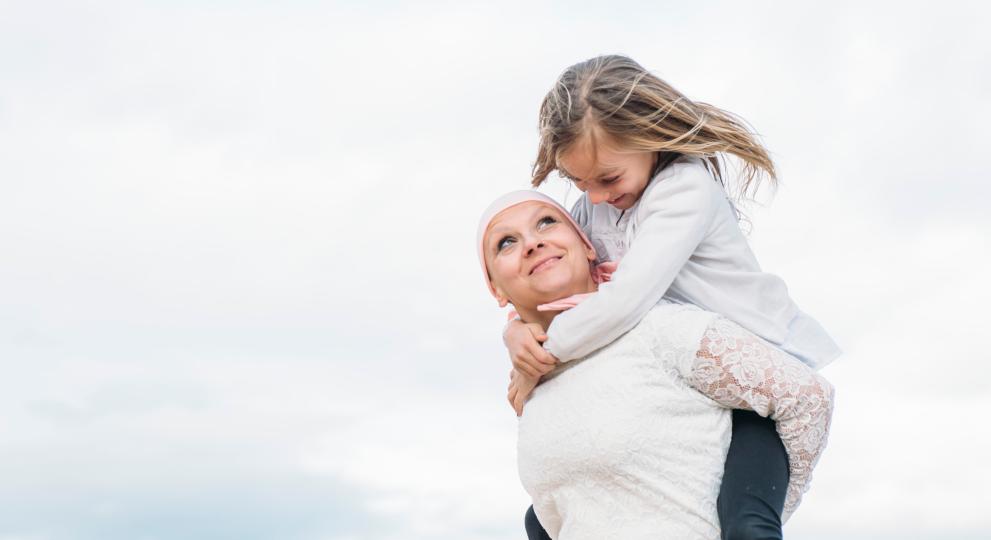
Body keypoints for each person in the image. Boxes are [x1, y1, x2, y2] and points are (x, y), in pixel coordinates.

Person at [502, 55, 842, 540]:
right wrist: (516, 331)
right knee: (545, 516)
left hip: (748, 392)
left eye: (607, 179)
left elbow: (622, 304)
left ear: (649, 138)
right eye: (578, 182)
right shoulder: (597, 206)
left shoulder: (684, 190)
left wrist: (541, 358)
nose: (593, 198)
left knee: (745, 525)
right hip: (675, 389)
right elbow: (571, 286)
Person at [477, 191, 834, 540]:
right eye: (506, 243)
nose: (531, 243)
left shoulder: (660, 328)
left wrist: (755, 522)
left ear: (588, 247)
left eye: (546, 222)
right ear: (496, 290)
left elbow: (808, 397)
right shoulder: (531, 386)